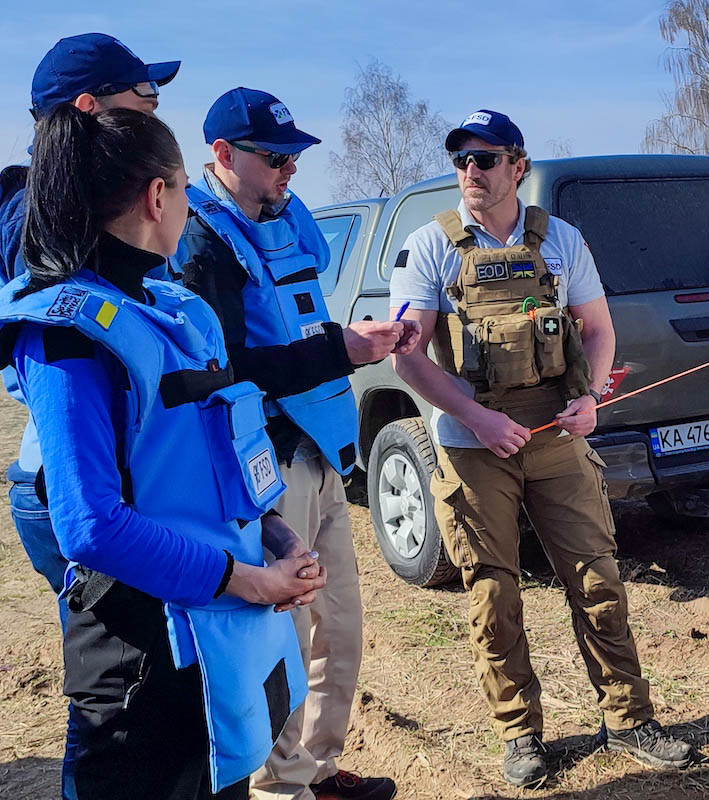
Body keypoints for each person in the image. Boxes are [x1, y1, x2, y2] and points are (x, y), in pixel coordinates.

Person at [0, 105, 324, 799]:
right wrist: (248, 581)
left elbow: (219, 452)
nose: (188, 202)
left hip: (220, 650)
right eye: (183, 187)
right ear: (158, 196)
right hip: (142, 669)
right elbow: (89, 526)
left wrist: (276, 533)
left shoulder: (180, 312)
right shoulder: (66, 334)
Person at [389, 109, 696, 787]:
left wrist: (587, 399)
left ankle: (629, 718)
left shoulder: (561, 240)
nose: (471, 171)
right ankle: (520, 734)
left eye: (486, 159)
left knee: (597, 578)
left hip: (557, 435)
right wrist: (476, 418)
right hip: (474, 445)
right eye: (462, 160)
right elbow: (410, 360)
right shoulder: (431, 245)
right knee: (493, 593)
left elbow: (597, 328)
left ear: (517, 168)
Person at [177, 87, 415, 800]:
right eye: (275, 157)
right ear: (222, 155)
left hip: (321, 450)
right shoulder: (198, 241)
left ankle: (316, 771)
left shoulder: (285, 218)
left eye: (294, 157)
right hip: (269, 470)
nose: (290, 171)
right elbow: (224, 371)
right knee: (288, 641)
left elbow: (301, 324)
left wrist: (351, 343)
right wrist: (343, 350)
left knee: (339, 632)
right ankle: (282, 791)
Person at [2, 33, 181, 602]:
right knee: (116, 667)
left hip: (114, 474)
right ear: (88, 108)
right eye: (144, 98)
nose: (155, 111)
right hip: (77, 485)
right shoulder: (38, 217)